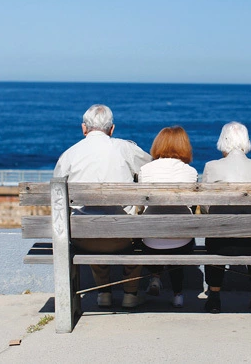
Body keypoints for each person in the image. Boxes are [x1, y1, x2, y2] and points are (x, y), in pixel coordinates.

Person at [54, 104, 152, 308]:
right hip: (122, 238)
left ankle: (104, 293)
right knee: (133, 226)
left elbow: (56, 196)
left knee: (89, 219)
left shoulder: (69, 155)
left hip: (84, 239)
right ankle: (130, 294)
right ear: (112, 129)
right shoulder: (125, 148)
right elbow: (151, 169)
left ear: (84, 128)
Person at [201, 122, 251, 314]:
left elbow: (206, 206)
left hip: (221, 242)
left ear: (223, 141)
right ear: (246, 141)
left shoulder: (211, 167)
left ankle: (214, 298)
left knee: (214, 233)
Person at [139, 126, 198, 308]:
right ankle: (178, 295)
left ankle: (155, 277)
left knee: (153, 231)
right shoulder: (191, 172)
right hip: (181, 241)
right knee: (178, 236)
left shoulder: (145, 170)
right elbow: (193, 206)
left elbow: (140, 206)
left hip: (151, 242)